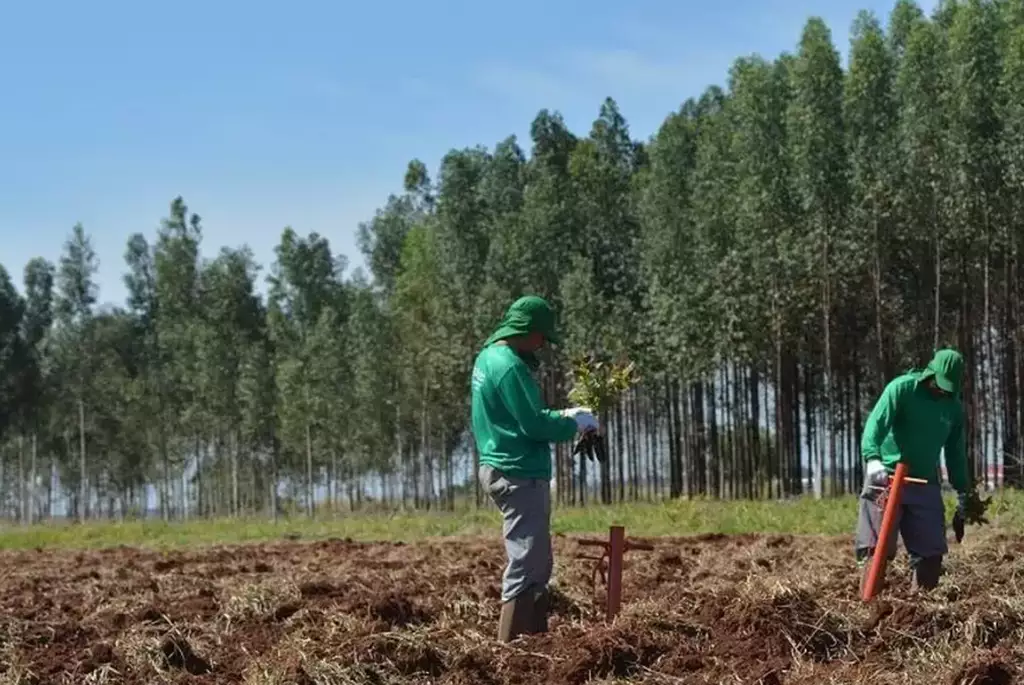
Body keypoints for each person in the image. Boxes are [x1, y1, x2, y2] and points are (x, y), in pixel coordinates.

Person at [470, 295, 599, 642]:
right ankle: (509, 652)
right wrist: (575, 423)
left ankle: (536, 642)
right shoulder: (510, 367)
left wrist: (564, 416)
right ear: (527, 331)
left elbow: (520, 416)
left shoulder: (487, 357)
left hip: (500, 463)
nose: (543, 344)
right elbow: (533, 426)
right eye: (542, 336)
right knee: (527, 562)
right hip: (517, 471)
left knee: (538, 561)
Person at [855, 347, 980, 593]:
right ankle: (868, 605)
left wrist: (963, 489)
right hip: (887, 478)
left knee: (931, 552)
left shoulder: (952, 408)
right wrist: (873, 458)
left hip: (924, 482)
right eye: (940, 384)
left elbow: (955, 452)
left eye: (949, 388)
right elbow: (875, 424)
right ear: (930, 373)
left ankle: (918, 613)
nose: (943, 391)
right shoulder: (902, 389)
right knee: (877, 548)